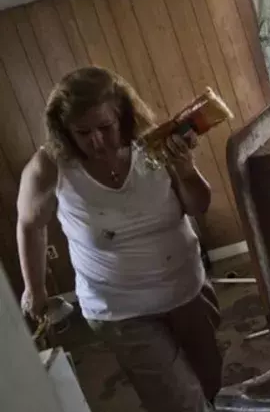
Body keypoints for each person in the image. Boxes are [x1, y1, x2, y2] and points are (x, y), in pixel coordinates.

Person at [16, 66, 222, 412]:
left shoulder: (154, 142)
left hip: (187, 289)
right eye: (82, 132)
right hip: (119, 309)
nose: (96, 141)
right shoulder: (50, 165)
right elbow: (30, 224)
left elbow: (198, 205)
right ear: (64, 131)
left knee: (209, 380)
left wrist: (186, 167)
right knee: (179, 401)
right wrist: (34, 290)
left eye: (105, 128)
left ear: (123, 117)